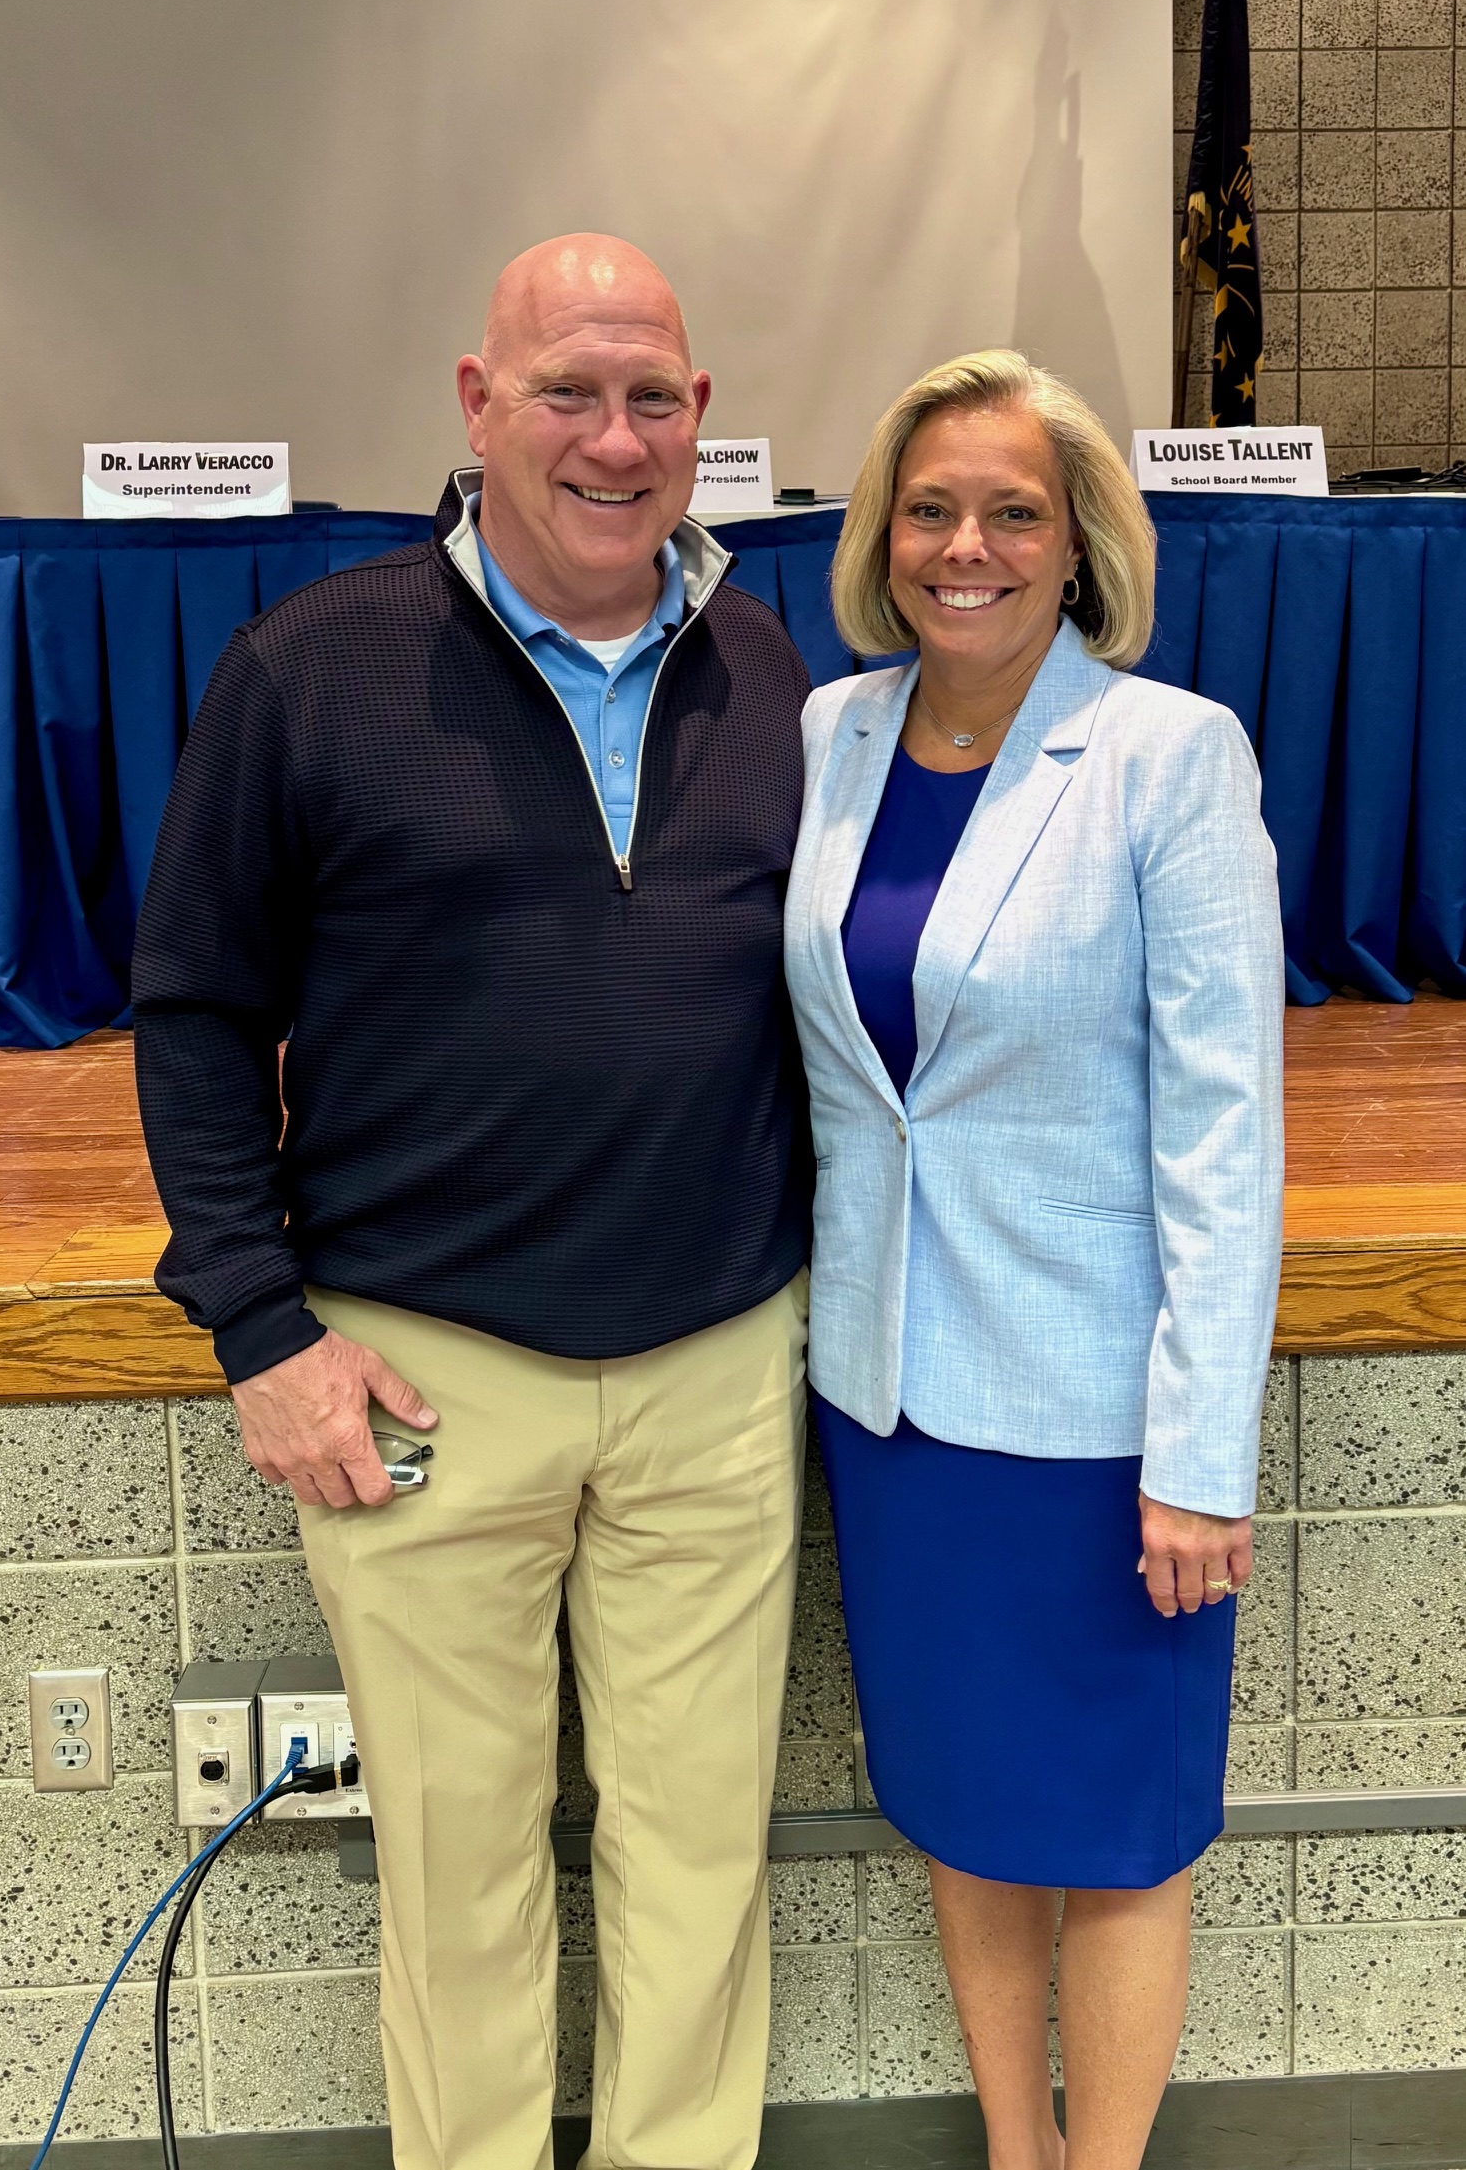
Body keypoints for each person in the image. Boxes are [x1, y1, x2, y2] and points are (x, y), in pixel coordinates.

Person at [132, 235, 815, 2170]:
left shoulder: (766, 668)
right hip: (424, 1383)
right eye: (569, 391)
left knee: (703, 1868)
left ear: (701, 413)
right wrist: (261, 1331)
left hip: (713, 1368)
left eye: (655, 395)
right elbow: (191, 1014)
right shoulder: (309, 668)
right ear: (474, 404)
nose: (617, 438)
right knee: (460, 1881)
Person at [783, 349, 1283, 2170]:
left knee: (1116, 1827)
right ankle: (1016, 2146)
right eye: (931, 508)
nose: (966, 544)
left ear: (1078, 545)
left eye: (1012, 510)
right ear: (881, 535)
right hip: (897, 1398)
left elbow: (1225, 1142)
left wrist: (1201, 1457)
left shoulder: (1167, 756)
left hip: (1100, 1425)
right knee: (966, 1807)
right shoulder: (826, 738)